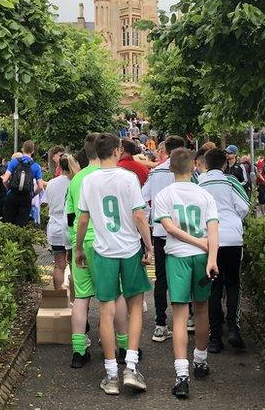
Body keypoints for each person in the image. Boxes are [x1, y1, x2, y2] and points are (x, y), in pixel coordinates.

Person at [75, 133, 153, 396]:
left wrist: (77, 248)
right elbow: (139, 215)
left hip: (103, 250)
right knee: (135, 308)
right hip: (129, 248)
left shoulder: (89, 180)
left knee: (105, 311)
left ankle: (110, 374)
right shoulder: (128, 178)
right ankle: (130, 365)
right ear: (118, 150)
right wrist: (149, 245)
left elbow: (83, 219)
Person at [152, 148, 220, 399]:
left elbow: (168, 227)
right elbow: (213, 228)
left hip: (177, 256)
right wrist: (210, 255)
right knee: (201, 310)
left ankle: (181, 375)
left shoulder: (164, 195)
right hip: (202, 257)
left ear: (170, 168)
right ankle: (200, 361)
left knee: (179, 314)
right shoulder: (205, 195)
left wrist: (193, 241)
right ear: (194, 166)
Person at [65, 134, 130, 369]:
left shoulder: (76, 180)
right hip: (110, 242)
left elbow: (72, 217)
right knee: (116, 294)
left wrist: (77, 244)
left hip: (82, 241)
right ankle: (123, 346)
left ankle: (78, 351)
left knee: (81, 297)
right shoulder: (116, 176)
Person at [198, 148, 250, 353]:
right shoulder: (231, 181)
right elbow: (244, 206)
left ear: (206, 163)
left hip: (209, 240)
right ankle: (234, 328)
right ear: (225, 163)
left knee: (213, 287)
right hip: (232, 238)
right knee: (233, 283)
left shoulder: (199, 183)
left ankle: (215, 337)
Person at [142, 135, 187, 343]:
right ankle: (188, 320)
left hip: (160, 231)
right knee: (184, 275)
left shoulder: (156, 172)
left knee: (161, 278)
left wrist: (151, 218)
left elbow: (143, 200)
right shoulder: (186, 171)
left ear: (166, 150)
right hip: (185, 232)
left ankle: (160, 324)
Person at [46, 154, 78, 291]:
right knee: (74, 267)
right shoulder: (75, 182)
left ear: (59, 166)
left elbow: (47, 203)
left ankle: (59, 297)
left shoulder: (52, 183)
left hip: (55, 227)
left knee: (59, 265)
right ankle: (75, 300)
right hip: (71, 226)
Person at [2, 141, 43, 225]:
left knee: (8, 223)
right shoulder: (36, 166)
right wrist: (33, 194)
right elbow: (40, 186)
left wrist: (9, 189)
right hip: (26, 198)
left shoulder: (14, 162)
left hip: (12, 195)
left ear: (22, 149)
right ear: (32, 151)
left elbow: (5, 180)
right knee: (21, 224)